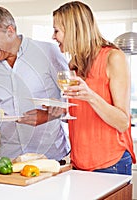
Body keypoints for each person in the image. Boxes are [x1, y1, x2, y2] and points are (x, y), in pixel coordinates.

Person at [0, 5, 70, 161]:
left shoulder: (49, 53)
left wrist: (48, 115)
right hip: (10, 158)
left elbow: (71, 99)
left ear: (10, 31)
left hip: (51, 156)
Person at [52, 1, 136, 175]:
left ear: (74, 30)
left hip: (110, 164)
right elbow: (84, 116)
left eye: (56, 31)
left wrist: (91, 96)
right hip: (79, 163)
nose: (53, 37)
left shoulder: (113, 57)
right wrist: (59, 112)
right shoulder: (74, 65)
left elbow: (122, 122)